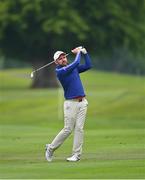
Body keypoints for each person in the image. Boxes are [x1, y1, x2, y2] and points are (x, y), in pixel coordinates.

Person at [45, 46, 92, 162]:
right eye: (60, 59)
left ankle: (76, 155)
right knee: (68, 129)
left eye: (64, 57)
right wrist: (78, 52)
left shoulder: (73, 68)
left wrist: (85, 53)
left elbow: (88, 65)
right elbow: (76, 63)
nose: (63, 59)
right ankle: (51, 148)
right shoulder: (60, 71)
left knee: (79, 129)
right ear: (56, 62)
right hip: (71, 104)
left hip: (82, 102)